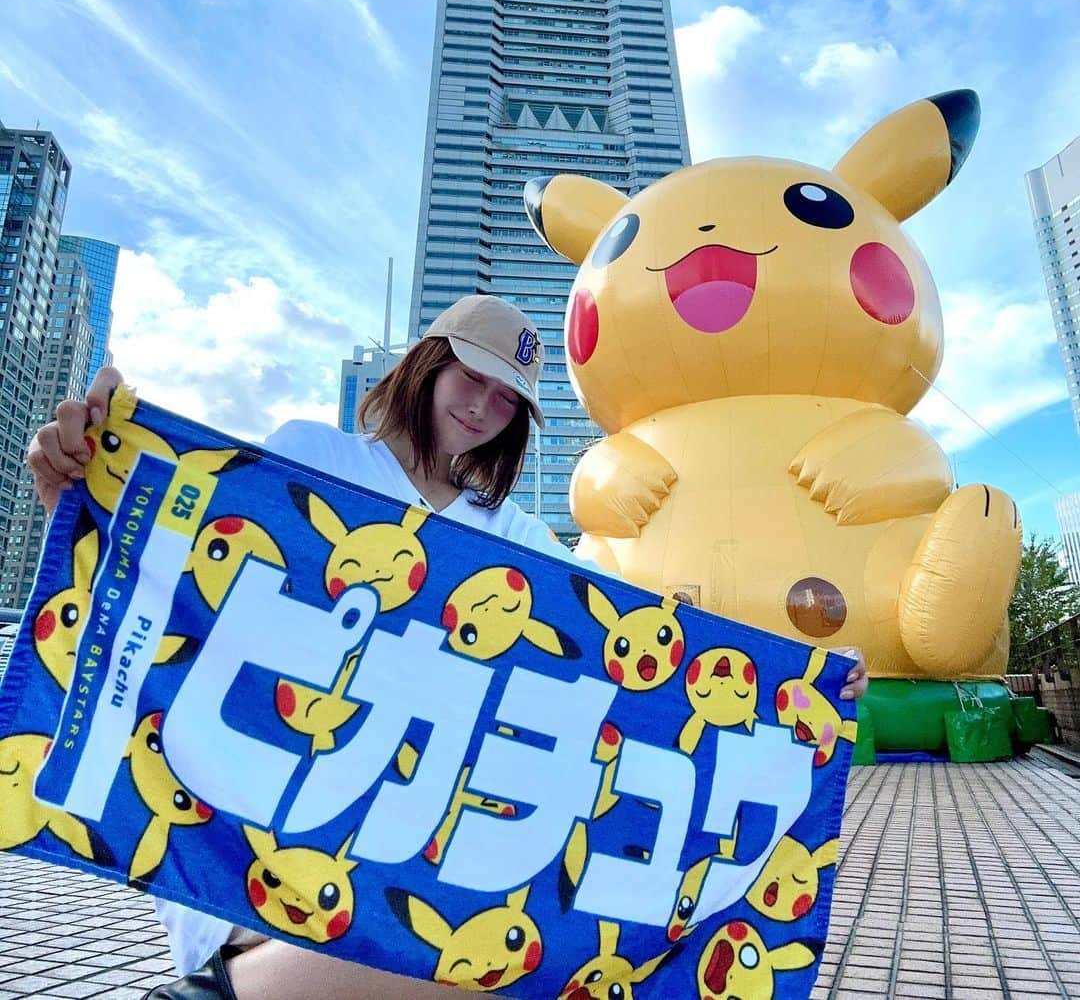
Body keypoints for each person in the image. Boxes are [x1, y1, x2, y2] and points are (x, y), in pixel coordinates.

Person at [28, 293, 868, 1000]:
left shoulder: (520, 538)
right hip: (267, 838)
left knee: (523, 944)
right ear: (428, 362)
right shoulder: (309, 458)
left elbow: (635, 665)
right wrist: (82, 474)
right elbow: (175, 563)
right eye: (473, 375)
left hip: (424, 854)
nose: (482, 406)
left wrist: (803, 692)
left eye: (508, 399)